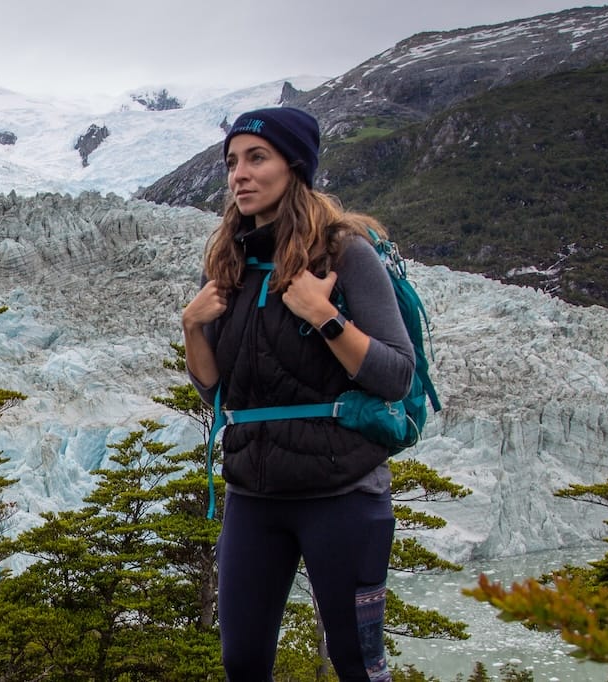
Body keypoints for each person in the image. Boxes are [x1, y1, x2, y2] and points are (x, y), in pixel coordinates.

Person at [182, 107, 415, 681]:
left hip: (341, 492)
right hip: (254, 494)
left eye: (256, 158)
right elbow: (215, 388)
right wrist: (193, 328)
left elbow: (396, 374)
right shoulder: (230, 261)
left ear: (296, 166)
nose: (239, 174)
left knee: (357, 663)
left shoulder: (345, 255)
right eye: (232, 161)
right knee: (242, 662)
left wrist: (325, 316)